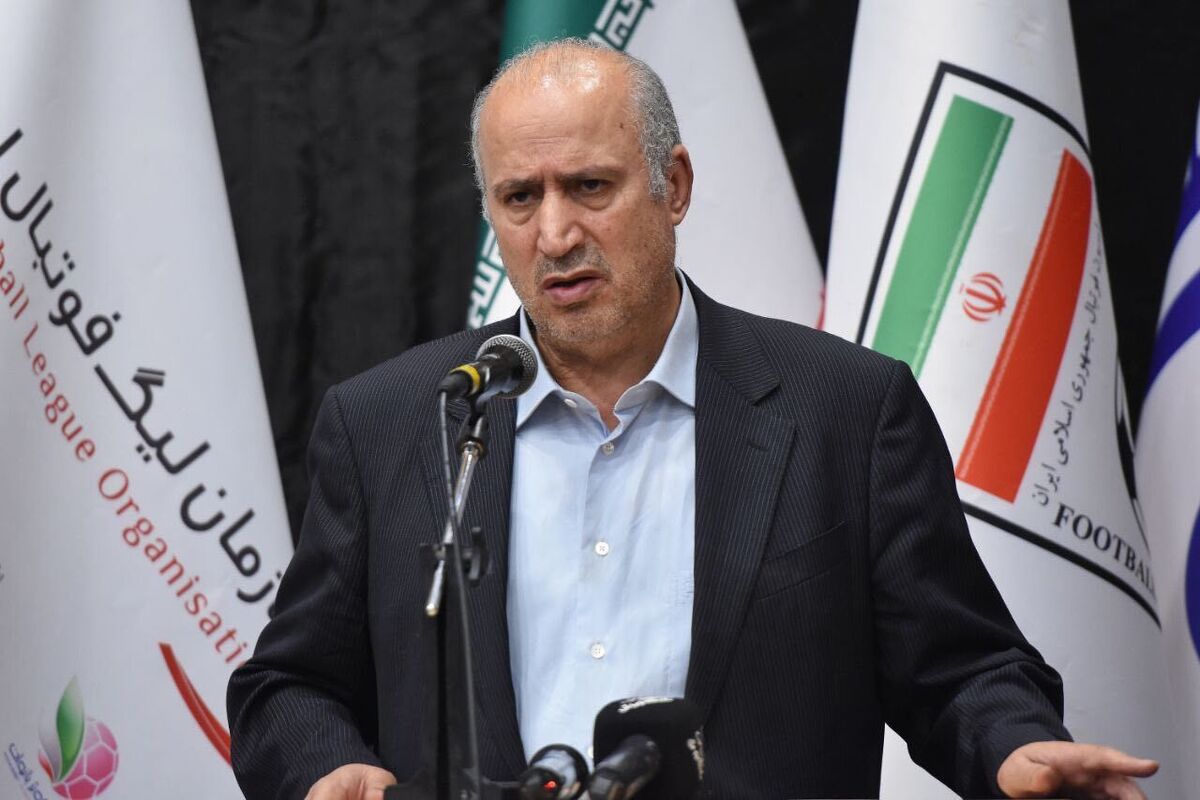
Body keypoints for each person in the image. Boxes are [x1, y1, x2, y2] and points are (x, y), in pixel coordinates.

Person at [227, 39, 1160, 799]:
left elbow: (961, 670)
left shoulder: (845, 413)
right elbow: (288, 686)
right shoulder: (399, 422)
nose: (555, 235)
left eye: (590, 186)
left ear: (672, 185)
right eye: (520, 198)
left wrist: (1013, 752)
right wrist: (325, 771)